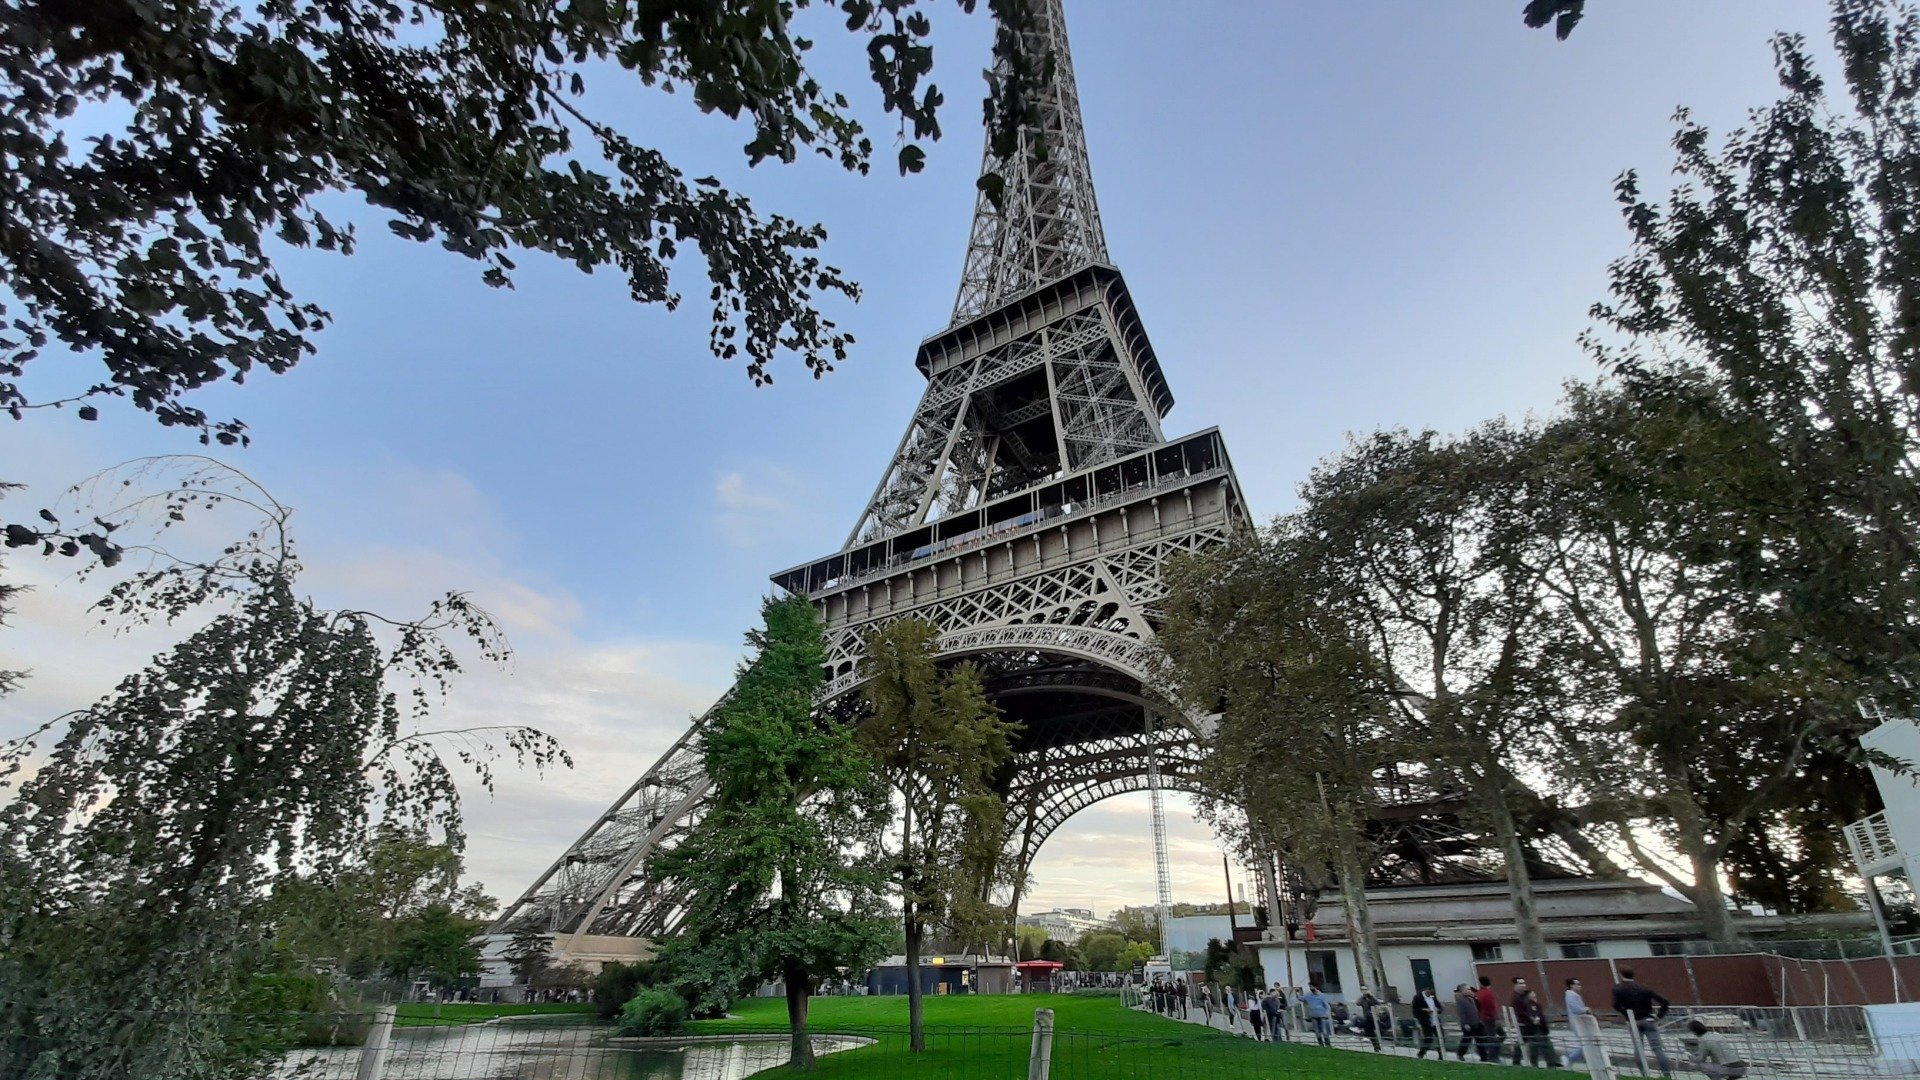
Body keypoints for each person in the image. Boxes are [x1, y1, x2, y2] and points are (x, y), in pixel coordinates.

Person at [1612, 966, 1673, 1077]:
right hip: (1648, 1019)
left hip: (1633, 1021)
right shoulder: (1644, 988)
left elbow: (1615, 1005)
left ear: (1621, 975)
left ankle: (1644, 1074)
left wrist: (1626, 1013)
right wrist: (1659, 1016)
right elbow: (1665, 1001)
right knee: (1657, 1049)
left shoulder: (1618, 989)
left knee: (1638, 1049)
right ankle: (1667, 1075)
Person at [1511, 977, 1561, 1067]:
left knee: (1529, 1043)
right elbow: (1521, 1012)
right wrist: (1532, 1018)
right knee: (1539, 1042)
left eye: (1524, 983)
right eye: (1521, 983)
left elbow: (1532, 1009)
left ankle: (1519, 1061)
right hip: (1526, 1025)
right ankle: (1549, 1062)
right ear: (1515, 985)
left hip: (1530, 1024)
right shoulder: (1516, 998)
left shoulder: (1524, 997)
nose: (1523, 985)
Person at [1454, 984, 1485, 1061]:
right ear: (1462, 990)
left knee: (1480, 1040)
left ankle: (1484, 1056)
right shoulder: (1460, 1000)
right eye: (1468, 989)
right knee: (1466, 1040)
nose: (1470, 991)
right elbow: (1461, 1013)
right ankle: (1460, 1054)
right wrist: (1465, 1023)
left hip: (1476, 1022)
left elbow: (1476, 1010)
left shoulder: (1471, 999)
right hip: (1468, 1024)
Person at [1477, 975, 1503, 1062]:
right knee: (1493, 1037)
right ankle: (1493, 1056)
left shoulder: (1480, 992)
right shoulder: (1488, 993)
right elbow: (1491, 1007)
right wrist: (1495, 1018)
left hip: (1485, 1017)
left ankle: (1492, 1054)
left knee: (1492, 1037)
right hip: (1490, 1018)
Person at [1412, 984, 1442, 1059]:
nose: (1430, 993)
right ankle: (1421, 1052)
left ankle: (1441, 1054)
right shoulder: (1418, 998)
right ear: (1425, 990)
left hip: (1436, 1020)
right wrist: (1425, 1010)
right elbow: (1416, 1010)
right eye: (1428, 992)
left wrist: (1438, 1010)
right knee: (1429, 1038)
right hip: (1426, 1021)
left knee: (1441, 1038)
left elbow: (1439, 1008)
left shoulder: (1433, 998)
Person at [1564, 977, 1590, 1065]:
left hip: (1579, 1022)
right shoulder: (1571, 995)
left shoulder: (1572, 995)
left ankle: (1571, 1058)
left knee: (1586, 1043)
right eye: (1577, 984)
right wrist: (1586, 1009)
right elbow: (1576, 1009)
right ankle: (1570, 1058)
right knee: (1586, 1044)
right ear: (1571, 985)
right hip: (1578, 1023)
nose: (1580, 986)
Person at [1353, 986, 1383, 1051]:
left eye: (1365, 989)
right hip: (1367, 1017)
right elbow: (1357, 1003)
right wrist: (1363, 996)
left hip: (1373, 1017)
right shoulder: (1362, 999)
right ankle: (1376, 1047)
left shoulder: (1371, 997)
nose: (1364, 991)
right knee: (1369, 1032)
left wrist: (1371, 996)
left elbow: (1378, 1003)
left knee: (1373, 1031)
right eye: (1362, 990)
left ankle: (1377, 1046)